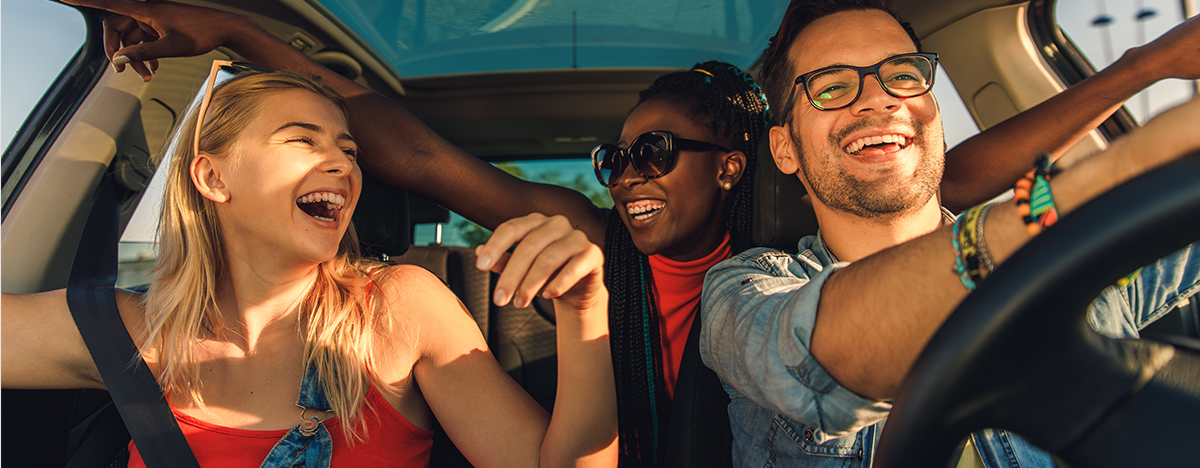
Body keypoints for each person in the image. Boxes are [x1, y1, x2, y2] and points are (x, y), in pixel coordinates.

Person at [57, 0, 1200, 465]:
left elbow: (954, 187)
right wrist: (237, 33)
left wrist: (1148, 71)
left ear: (738, 163)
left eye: (656, 152)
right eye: (615, 160)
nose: (628, 178)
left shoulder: (805, 228)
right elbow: (421, 159)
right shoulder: (604, 244)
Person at [1, 67, 617, 467]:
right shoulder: (127, 328)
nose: (343, 164)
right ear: (212, 178)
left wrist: (587, 312)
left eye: (348, 150)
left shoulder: (399, 308)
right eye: (304, 140)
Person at [699, 0, 1200, 466]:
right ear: (784, 149)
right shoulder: (744, 291)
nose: (879, 99)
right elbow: (813, 354)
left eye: (903, 75)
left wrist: (1147, 69)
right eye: (830, 87)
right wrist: (1119, 171)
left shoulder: (1081, 258)